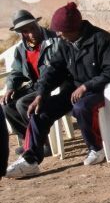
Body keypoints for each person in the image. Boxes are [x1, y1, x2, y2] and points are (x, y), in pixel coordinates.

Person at [16, 2, 110, 169]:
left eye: (61, 31)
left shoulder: (103, 40)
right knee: (40, 110)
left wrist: (86, 86)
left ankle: (96, 149)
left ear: (75, 29)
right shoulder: (65, 43)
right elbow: (53, 70)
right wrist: (40, 93)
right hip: (75, 90)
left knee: (81, 107)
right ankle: (30, 159)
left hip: (104, 90)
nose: (58, 34)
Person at [3, 10, 67, 178]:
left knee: (23, 104)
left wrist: (43, 88)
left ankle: (42, 143)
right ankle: (28, 141)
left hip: (54, 85)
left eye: (32, 27)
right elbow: (16, 72)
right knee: (7, 105)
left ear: (37, 24)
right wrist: (10, 87)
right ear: (20, 33)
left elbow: (58, 69)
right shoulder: (21, 49)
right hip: (36, 85)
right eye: (25, 31)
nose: (31, 33)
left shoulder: (55, 40)